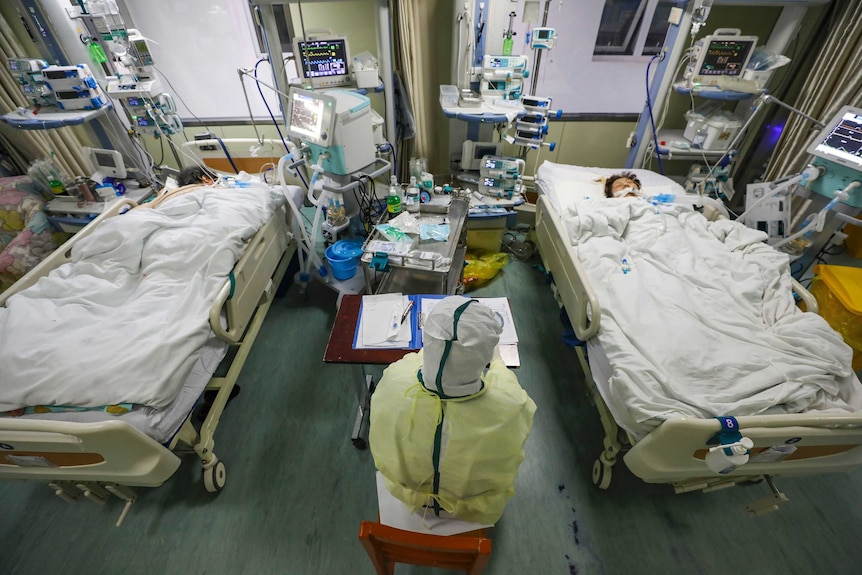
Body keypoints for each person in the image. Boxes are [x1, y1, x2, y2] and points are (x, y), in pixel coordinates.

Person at [369, 297, 537, 525]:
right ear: (484, 355)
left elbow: (418, 362)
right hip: (470, 510)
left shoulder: (392, 381)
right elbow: (504, 381)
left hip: (411, 503)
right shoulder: (510, 405)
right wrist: (497, 361)